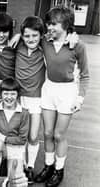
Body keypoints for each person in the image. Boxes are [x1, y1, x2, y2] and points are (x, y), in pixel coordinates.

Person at [35, 6, 89, 187]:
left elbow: (85, 75)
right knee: (47, 133)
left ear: (66, 25)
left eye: (54, 24)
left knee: (59, 135)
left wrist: (80, 98)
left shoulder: (77, 45)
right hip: (49, 89)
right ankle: (48, 166)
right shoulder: (45, 42)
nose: (49, 27)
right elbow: (31, 35)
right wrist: (19, 35)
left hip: (67, 92)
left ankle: (59, 170)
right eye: (48, 23)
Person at [15, 16, 46, 184]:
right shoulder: (18, 46)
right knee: (21, 135)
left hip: (36, 99)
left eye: (35, 35)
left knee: (33, 136)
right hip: (18, 98)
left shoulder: (44, 48)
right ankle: (19, 165)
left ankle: (30, 166)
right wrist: (17, 36)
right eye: (27, 36)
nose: (31, 39)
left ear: (41, 35)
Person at [0, 78, 29, 178]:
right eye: (5, 93)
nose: (9, 97)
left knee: (15, 180)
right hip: (0, 147)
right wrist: (1, 143)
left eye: (13, 94)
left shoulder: (24, 113)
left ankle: (19, 166)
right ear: (0, 94)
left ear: (17, 95)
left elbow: (22, 139)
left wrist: (4, 139)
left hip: (16, 149)